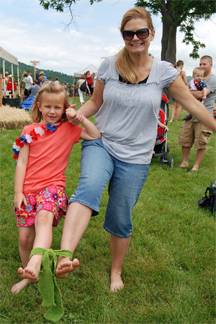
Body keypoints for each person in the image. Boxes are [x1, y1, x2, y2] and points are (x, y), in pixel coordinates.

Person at [55, 7, 216, 292]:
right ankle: (64, 256)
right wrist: (73, 117)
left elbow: (192, 105)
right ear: (123, 36)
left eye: (141, 32)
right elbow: (95, 103)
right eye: (128, 33)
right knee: (89, 187)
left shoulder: (163, 71)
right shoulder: (108, 65)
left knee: (120, 214)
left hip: (137, 156)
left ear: (151, 34)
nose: (135, 38)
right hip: (101, 141)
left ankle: (116, 271)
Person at [11, 81, 101, 294]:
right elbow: (21, 163)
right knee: (24, 238)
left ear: (65, 109)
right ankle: (29, 274)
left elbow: (95, 135)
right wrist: (18, 193)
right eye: (48, 106)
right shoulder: (29, 130)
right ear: (39, 106)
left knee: (43, 218)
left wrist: (79, 117)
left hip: (53, 188)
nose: (52, 111)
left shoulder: (69, 129)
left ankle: (35, 261)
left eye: (57, 107)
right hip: (28, 191)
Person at [178, 55, 216, 173]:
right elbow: (184, 91)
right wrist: (188, 92)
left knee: (201, 140)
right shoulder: (195, 78)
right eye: (200, 64)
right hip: (191, 111)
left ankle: (196, 165)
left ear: (211, 65)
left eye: (204, 64)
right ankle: (185, 162)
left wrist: (187, 92)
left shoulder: (213, 79)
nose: (202, 66)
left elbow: (201, 94)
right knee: (185, 137)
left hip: (204, 114)